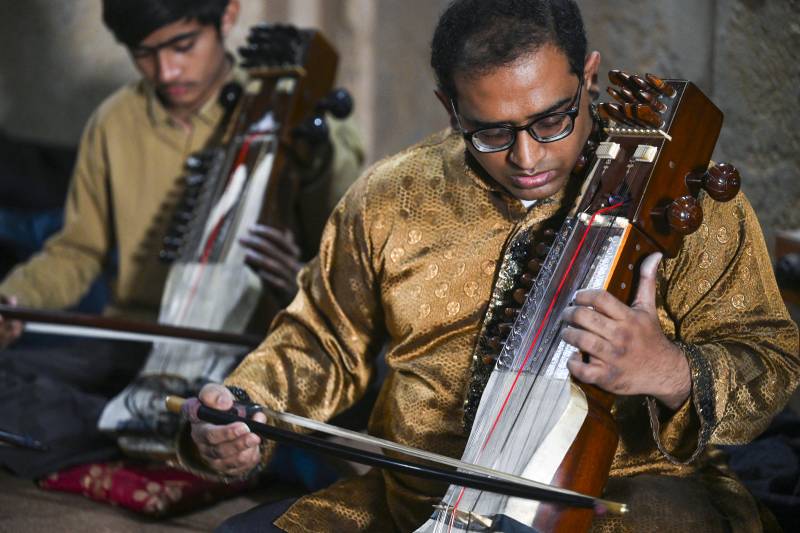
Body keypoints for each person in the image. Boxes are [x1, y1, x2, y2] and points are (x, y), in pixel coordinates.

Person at [184, 0, 799, 531]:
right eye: (491, 132)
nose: (528, 156)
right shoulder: (391, 196)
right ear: (448, 107)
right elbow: (321, 339)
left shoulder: (676, 195)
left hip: (615, 501)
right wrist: (245, 404)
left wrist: (668, 371)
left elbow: (772, 359)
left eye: (553, 118)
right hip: (418, 500)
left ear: (589, 76)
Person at [0, 0, 363, 479]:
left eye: (183, 45)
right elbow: (77, 250)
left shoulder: (299, 117)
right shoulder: (115, 122)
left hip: (244, 346)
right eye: (144, 53)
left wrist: (296, 272)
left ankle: (150, 429)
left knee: (299, 407)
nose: (166, 70)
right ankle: (152, 429)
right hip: (133, 335)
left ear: (228, 17)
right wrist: (15, 297)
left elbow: (343, 267)